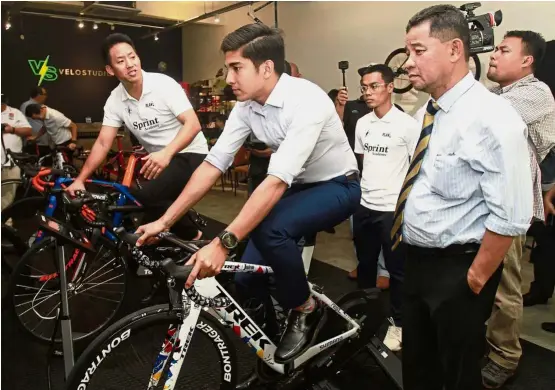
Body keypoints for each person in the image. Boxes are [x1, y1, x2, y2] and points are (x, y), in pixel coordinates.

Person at [135, 23, 360, 364]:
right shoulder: (247, 106)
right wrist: (165, 222)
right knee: (246, 279)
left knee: (273, 231)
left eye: (236, 67)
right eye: (229, 68)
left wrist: (222, 242)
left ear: (267, 68)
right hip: (295, 186)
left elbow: (275, 182)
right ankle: (270, 346)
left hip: (337, 185)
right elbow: (212, 165)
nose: (228, 78)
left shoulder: (307, 101)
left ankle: (305, 308)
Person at [399, 5, 533, 390]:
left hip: (458, 271)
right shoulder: (431, 110)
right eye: (407, 51)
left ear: (455, 49)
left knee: (457, 375)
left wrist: (473, 281)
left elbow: (511, 215)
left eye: (418, 50)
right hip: (418, 262)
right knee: (419, 368)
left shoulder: (494, 117)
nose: (408, 63)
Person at [65, 33, 208, 242]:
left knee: (146, 197)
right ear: (110, 69)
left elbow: (193, 124)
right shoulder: (115, 100)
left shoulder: (162, 84)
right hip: (160, 161)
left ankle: (194, 236)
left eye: (132, 57)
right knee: (140, 223)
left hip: (190, 152)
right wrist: (80, 180)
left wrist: (166, 153)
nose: (130, 64)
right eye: (121, 61)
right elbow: (104, 142)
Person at [483, 30, 555, 388]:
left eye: (503, 49)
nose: (493, 55)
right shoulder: (494, 94)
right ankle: (485, 342)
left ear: (527, 61)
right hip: (481, 203)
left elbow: (486, 117)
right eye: (495, 48)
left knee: (503, 287)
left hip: (507, 207)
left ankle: (505, 355)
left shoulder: (535, 93)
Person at [353, 64, 420, 352]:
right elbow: (361, 161)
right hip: (364, 206)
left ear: (390, 87)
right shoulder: (362, 124)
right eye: (364, 87)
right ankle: (365, 316)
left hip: (392, 210)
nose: (368, 92)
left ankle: (399, 324)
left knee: (397, 270)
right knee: (365, 266)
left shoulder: (407, 125)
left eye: (374, 86)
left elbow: (417, 169)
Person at [1, 95, 32, 211]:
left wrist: (12, 129)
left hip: (11, 161)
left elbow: (28, 131)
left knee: (8, 194)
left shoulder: (15, 113)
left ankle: (5, 222)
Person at [20, 86, 51, 154]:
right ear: (39, 95)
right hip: (34, 143)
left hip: (44, 142)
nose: (46, 96)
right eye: (45, 94)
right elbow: (22, 124)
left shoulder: (42, 106)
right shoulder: (26, 105)